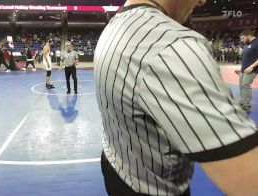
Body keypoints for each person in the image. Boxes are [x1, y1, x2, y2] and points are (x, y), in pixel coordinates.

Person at [94, 0, 258, 196]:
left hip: (119, 166)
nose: (202, 1)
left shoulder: (114, 26)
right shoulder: (173, 45)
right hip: (154, 188)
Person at [239, 30, 258, 112]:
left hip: (251, 70)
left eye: (243, 38)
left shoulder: (257, 42)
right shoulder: (247, 44)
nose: (241, 40)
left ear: (249, 35)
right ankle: (243, 102)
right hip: (243, 70)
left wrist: (251, 67)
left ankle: (246, 106)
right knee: (242, 86)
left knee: (245, 85)